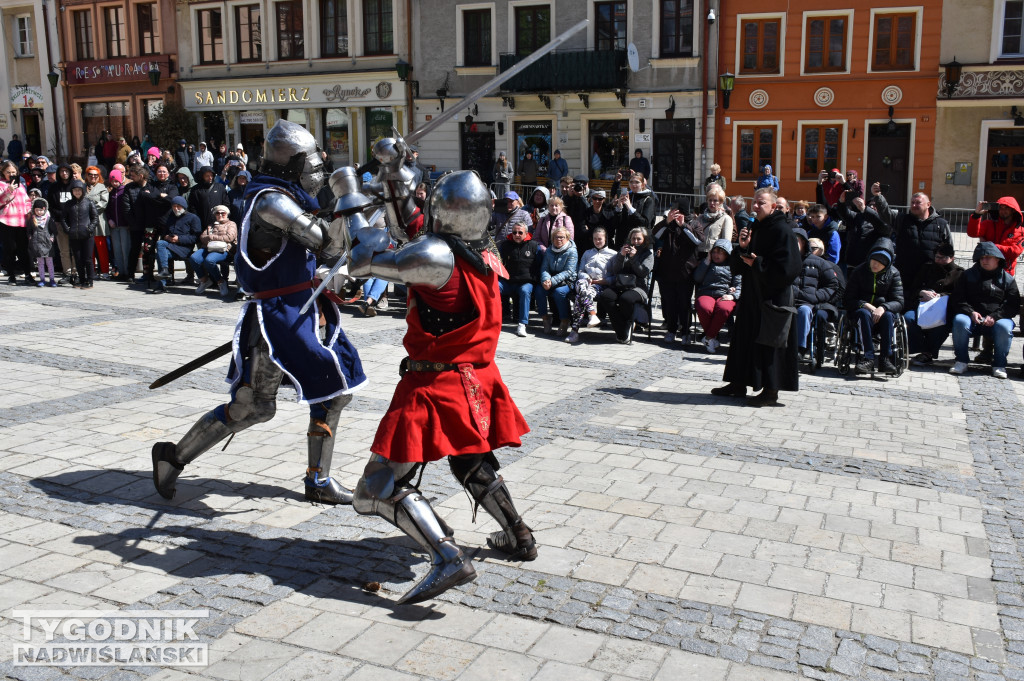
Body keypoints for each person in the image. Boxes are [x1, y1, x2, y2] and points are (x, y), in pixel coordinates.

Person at [342, 163, 535, 605]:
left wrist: (353, 204)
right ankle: (518, 535)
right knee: (471, 464)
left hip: (435, 385)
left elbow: (364, 261)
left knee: (374, 488)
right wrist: (393, 175)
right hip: (477, 379)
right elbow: (414, 229)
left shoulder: (435, 258)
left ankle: (446, 556)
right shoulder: (483, 251)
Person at [152, 120, 366, 506]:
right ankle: (173, 456)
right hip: (277, 319)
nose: (315, 173)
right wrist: (346, 200)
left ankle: (318, 479)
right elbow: (328, 247)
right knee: (253, 407)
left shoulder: (288, 193)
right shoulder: (271, 201)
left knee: (332, 393)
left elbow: (328, 244)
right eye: (310, 165)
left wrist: (351, 199)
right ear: (291, 164)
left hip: (302, 309)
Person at [712, 187, 802, 405]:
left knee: (769, 342)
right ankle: (738, 383)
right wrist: (742, 248)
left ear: (773, 206)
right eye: (754, 202)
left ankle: (771, 391)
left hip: (773, 296)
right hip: (752, 293)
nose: (755, 206)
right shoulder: (755, 227)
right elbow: (741, 265)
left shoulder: (783, 230)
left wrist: (758, 263)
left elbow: (790, 268)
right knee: (743, 338)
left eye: (761, 203)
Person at [948, 242, 1020, 379]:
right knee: (959, 321)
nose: (984, 260)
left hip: (997, 320)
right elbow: (958, 299)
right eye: (981, 258)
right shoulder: (967, 275)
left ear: (997, 259)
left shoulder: (1008, 279)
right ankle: (961, 361)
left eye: (988, 257)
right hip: (971, 317)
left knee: (1005, 327)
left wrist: (995, 316)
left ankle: (999, 365)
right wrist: (970, 312)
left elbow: (1012, 305)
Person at [844, 238, 904, 375]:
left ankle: (885, 359)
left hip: (884, 313)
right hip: (861, 312)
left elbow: (899, 301)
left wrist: (883, 307)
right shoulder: (859, 271)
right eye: (874, 260)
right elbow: (848, 299)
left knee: (889, 316)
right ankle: (868, 357)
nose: (876, 264)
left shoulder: (894, 274)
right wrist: (864, 305)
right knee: (863, 314)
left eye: (881, 262)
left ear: (887, 264)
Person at [655, 199, 705, 344]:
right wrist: (666, 222)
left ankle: (685, 332)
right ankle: (671, 330)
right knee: (670, 302)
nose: (674, 212)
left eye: (677, 209)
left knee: (684, 303)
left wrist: (683, 226)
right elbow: (655, 235)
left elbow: (697, 240)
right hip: (668, 270)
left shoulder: (694, 223)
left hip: (686, 271)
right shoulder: (669, 223)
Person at [905, 242, 963, 366]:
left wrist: (940, 296)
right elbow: (913, 288)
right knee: (909, 318)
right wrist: (921, 292)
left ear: (952, 258)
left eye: (943, 258)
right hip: (921, 305)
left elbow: (959, 295)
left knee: (942, 324)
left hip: (945, 309)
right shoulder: (927, 267)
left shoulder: (958, 273)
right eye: (937, 257)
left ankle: (928, 352)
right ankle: (918, 347)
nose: (939, 260)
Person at [790, 228, 841, 360]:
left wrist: (816, 296)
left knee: (804, 312)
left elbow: (833, 284)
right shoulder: (784, 260)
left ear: (803, 243)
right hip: (787, 300)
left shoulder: (819, 262)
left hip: (807, 302)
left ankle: (800, 349)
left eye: (795, 241)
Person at [598, 226, 654, 344]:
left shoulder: (648, 254)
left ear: (644, 240)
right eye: (633, 239)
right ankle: (622, 327)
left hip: (638, 287)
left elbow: (642, 273)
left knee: (626, 299)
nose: (636, 241)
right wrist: (621, 255)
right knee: (605, 296)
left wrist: (633, 258)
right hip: (621, 284)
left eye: (639, 239)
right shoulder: (624, 250)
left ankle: (627, 325)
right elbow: (616, 270)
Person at [893, 192, 952, 292]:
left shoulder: (941, 224)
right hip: (905, 272)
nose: (914, 205)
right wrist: (878, 197)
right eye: (912, 202)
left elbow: (949, 249)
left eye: (918, 202)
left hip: (930, 275)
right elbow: (885, 213)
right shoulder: (903, 220)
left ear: (928, 204)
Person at [566, 225, 615, 343]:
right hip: (585, 282)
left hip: (600, 285)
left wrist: (601, 281)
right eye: (595, 239)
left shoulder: (613, 254)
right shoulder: (587, 253)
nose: (597, 241)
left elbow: (615, 276)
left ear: (605, 239)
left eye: (600, 239)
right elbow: (580, 271)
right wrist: (587, 277)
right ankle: (592, 313)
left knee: (579, 297)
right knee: (581, 283)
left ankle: (574, 332)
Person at [694, 239, 742, 353]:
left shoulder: (734, 266)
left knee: (724, 309)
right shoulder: (706, 262)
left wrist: (733, 295)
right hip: (706, 292)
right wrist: (707, 261)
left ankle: (708, 337)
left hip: (725, 294)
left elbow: (739, 285)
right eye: (714, 251)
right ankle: (711, 338)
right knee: (704, 307)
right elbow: (697, 278)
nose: (716, 255)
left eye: (720, 252)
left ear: (727, 253)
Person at [498, 221, 541, 337]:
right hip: (508, 281)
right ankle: (493, 319)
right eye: (514, 232)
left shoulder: (534, 246)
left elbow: (539, 265)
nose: (517, 235)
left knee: (525, 291)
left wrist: (536, 280)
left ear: (526, 233)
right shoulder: (505, 245)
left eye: (520, 232)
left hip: (525, 281)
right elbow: (499, 262)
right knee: (495, 287)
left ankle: (522, 324)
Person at [536, 226, 578, 336]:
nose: (558, 239)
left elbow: (569, 271)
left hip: (568, 281)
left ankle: (565, 320)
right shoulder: (549, 250)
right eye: (556, 237)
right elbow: (545, 268)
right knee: (539, 290)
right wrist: (546, 280)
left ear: (567, 238)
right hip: (551, 279)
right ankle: (545, 318)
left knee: (559, 292)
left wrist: (552, 281)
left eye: (562, 237)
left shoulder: (572, 251)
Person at [154, 197, 202, 292]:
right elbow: (164, 233)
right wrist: (167, 237)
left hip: (184, 249)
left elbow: (196, 237)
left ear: (184, 206)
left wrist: (179, 239)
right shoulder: (171, 217)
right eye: (174, 206)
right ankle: (163, 278)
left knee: (160, 245)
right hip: (170, 247)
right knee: (160, 250)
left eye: (178, 206)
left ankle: (163, 280)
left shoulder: (193, 218)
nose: (176, 209)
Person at [968, 197, 1024, 277]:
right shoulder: (988, 224)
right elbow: (972, 233)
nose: (1003, 211)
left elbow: (1014, 252)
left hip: (1005, 273)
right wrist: (977, 215)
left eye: (1006, 208)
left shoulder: (1021, 231)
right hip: (984, 269)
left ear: (1013, 210)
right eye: (1000, 208)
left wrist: (989, 246)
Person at [191, 205, 237, 297]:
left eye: (222, 213)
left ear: (227, 214)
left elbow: (229, 237)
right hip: (208, 248)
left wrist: (212, 237)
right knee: (193, 258)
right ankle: (204, 280)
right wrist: (213, 238)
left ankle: (220, 282)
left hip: (224, 249)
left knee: (209, 260)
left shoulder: (231, 224)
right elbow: (202, 237)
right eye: (217, 213)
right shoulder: (210, 225)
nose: (220, 215)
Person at [62, 179, 99, 289]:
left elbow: (95, 217)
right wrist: (68, 230)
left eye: (79, 190)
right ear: (72, 192)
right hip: (74, 235)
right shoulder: (68, 204)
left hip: (87, 235)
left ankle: (90, 280)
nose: (77, 192)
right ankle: (81, 279)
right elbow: (63, 218)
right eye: (75, 190)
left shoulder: (89, 202)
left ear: (83, 190)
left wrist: (90, 229)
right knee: (78, 258)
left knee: (87, 258)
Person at [1, 161, 33, 284]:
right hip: (7, 221)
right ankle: (11, 275)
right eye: (8, 172)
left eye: (13, 172)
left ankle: (27, 274)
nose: (11, 174)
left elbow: (26, 200)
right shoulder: (1, 184)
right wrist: (8, 190)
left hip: (22, 220)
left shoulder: (20, 185)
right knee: (10, 249)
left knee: (24, 249)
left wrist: (29, 211)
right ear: (3, 172)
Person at [612, 172, 657, 249]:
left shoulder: (649, 199)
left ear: (643, 184)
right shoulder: (627, 196)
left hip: (639, 242)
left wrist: (630, 208)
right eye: (631, 182)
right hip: (623, 241)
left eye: (637, 182)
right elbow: (617, 223)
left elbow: (645, 223)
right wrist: (619, 207)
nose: (633, 184)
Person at [84, 167, 110, 278]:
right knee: (89, 248)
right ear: (86, 175)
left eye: (96, 175)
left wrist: (89, 209)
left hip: (98, 220)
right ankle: (91, 271)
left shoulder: (102, 187)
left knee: (101, 247)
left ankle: (104, 272)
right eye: (90, 174)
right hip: (85, 221)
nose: (93, 176)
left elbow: (103, 203)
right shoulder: (82, 187)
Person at [696, 185, 735, 260]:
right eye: (710, 200)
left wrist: (716, 257)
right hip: (698, 255)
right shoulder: (700, 218)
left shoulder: (726, 219)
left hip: (715, 257)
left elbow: (726, 243)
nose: (712, 203)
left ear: (721, 202)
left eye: (715, 200)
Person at [106, 169, 131, 280]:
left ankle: (127, 272)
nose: (115, 183)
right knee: (117, 249)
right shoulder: (111, 193)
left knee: (125, 249)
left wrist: (129, 222)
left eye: (116, 181)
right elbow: (108, 209)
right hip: (114, 226)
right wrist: (110, 219)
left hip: (125, 225)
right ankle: (120, 271)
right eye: (112, 181)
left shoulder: (125, 191)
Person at [27, 198, 57, 286]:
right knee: (40, 262)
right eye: (37, 210)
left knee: (49, 262)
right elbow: (29, 230)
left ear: (44, 209)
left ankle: (52, 279)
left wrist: (52, 237)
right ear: (34, 210)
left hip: (47, 243)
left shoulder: (48, 219)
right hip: (37, 243)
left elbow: (54, 230)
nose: (39, 212)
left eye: (40, 210)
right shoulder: (32, 219)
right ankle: (42, 279)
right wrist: (30, 237)